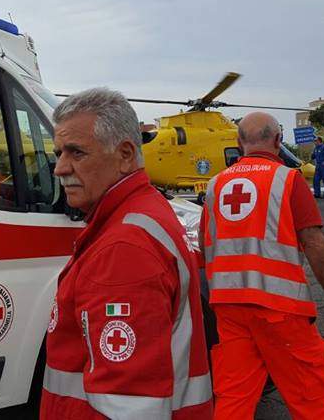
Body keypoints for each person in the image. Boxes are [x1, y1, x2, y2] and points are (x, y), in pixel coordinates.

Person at [40, 88, 213, 420]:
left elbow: (129, 407)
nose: (59, 168)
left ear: (124, 154)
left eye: (76, 153)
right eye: (59, 152)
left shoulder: (124, 248)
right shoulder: (141, 214)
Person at [199, 112, 324, 420]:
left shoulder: (215, 185)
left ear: (239, 143)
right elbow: (314, 244)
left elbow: (205, 246)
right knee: (310, 394)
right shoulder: (288, 179)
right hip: (280, 307)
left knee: (234, 396)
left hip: (228, 307)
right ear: (278, 141)